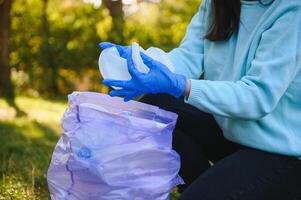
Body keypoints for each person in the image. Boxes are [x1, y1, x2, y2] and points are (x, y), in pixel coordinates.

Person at [99, 0, 301, 199]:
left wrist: (181, 85)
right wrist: (144, 64)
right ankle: (205, 186)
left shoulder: (291, 9)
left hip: (282, 152)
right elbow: (188, 57)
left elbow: (257, 98)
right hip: (233, 135)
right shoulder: (218, 4)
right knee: (155, 107)